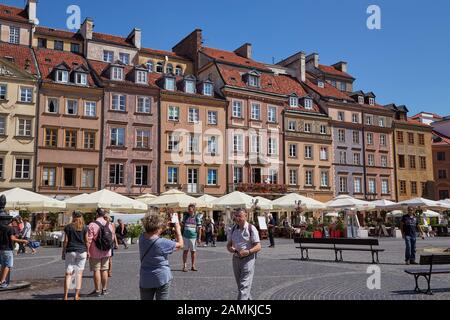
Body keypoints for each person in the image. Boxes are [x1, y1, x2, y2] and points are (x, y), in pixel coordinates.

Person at [139, 214, 183, 300]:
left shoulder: (142, 237)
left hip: (145, 278)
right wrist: (178, 230)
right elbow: (180, 245)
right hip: (161, 277)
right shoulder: (162, 243)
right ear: (157, 228)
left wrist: (163, 225)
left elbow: (152, 232)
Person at [226, 209, 262, 300]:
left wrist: (248, 251)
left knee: (243, 287)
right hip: (236, 259)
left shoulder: (251, 228)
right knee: (241, 287)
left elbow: (258, 246)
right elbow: (229, 244)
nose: (237, 218)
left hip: (248, 259)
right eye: (236, 216)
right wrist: (230, 249)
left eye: (240, 216)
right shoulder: (233, 228)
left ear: (246, 216)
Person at [87, 208, 115, 296]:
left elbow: (89, 240)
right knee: (104, 270)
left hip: (95, 251)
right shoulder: (109, 224)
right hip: (107, 251)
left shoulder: (92, 224)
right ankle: (104, 289)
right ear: (104, 215)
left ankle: (97, 290)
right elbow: (112, 237)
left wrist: (87, 251)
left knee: (96, 270)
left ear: (96, 214)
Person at [62, 211, 89, 300]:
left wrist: (63, 251)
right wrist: (88, 251)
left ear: (73, 217)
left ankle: (65, 296)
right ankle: (76, 295)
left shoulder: (68, 227)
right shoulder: (85, 227)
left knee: (68, 274)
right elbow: (87, 241)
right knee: (79, 274)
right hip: (82, 252)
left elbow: (65, 241)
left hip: (70, 251)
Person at [0, 218, 29, 288]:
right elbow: (12, 239)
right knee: (8, 265)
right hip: (7, 249)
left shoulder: (2, 228)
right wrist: (23, 241)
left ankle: (1, 280)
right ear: (12, 222)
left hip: (1, 249)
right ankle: (2, 281)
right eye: (16, 222)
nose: (16, 224)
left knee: (3, 265)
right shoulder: (10, 228)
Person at [181, 204, 202, 272]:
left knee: (193, 252)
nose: (189, 211)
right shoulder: (185, 217)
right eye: (188, 210)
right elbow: (182, 226)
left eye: (190, 210)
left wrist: (199, 238)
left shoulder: (197, 217)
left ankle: (193, 265)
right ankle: (184, 266)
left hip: (193, 237)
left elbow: (199, 228)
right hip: (185, 236)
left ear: (193, 210)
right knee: (185, 251)